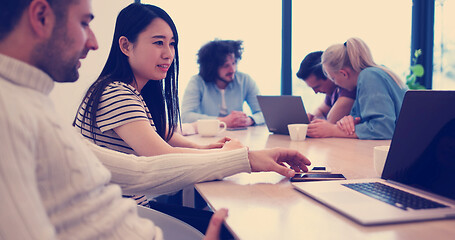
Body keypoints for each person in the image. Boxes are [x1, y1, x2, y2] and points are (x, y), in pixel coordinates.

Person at [0, 1, 311, 239]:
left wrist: (240, 157)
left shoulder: (34, 103)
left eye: (172, 43)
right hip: (135, 210)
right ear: (41, 17)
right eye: (84, 23)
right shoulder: (18, 110)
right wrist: (238, 158)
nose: (93, 42)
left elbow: (139, 171)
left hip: (131, 213)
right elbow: (148, 167)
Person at [307, 37, 407, 140]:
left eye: (333, 78)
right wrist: (348, 122)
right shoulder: (372, 76)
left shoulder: (369, 77)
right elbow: (360, 120)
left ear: (344, 73)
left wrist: (333, 130)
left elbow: (383, 129)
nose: (335, 83)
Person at [181, 40, 265, 128]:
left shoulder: (245, 80)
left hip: (239, 135)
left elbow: (264, 113)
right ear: (212, 67)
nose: (232, 70)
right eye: (226, 66)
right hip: (207, 136)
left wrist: (249, 120)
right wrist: (223, 121)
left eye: (234, 63)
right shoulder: (197, 82)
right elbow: (186, 116)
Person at [296, 51, 356, 123]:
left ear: (328, 75)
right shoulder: (333, 91)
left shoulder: (348, 87)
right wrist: (313, 118)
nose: (316, 92)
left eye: (317, 86)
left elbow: (331, 121)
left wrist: (316, 121)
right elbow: (320, 111)